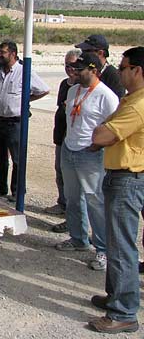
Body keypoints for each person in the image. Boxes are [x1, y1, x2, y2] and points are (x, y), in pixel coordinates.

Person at [88, 46, 144, 335]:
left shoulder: (136, 105)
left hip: (127, 178)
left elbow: (102, 134)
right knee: (116, 243)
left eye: (123, 68)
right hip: (125, 175)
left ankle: (123, 312)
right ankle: (116, 297)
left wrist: (103, 131)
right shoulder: (130, 99)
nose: (119, 73)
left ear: (138, 70)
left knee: (121, 246)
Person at [54, 52, 119, 272]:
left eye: (79, 69)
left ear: (93, 70)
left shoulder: (106, 96)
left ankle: (103, 249)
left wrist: (98, 145)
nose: (74, 72)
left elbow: (114, 127)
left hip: (90, 154)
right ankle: (78, 239)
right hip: (70, 149)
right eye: (73, 68)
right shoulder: (73, 90)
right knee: (73, 198)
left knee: (95, 201)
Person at [0, 40, 49, 199]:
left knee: (17, 158)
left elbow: (43, 89)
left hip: (14, 122)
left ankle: (17, 191)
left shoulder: (23, 71)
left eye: (3, 52)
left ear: (13, 54)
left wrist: (26, 99)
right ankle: (0, 187)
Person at [48, 50, 81, 233]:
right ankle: (62, 203)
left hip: (74, 137)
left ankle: (72, 216)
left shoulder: (82, 87)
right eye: (66, 65)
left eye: (72, 65)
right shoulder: (64, 84)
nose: (69, 68)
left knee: (73, 181)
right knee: (59, 171)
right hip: (61, 134)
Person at [76, 34, 125, 99]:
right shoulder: (84, 71)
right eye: (82, 51)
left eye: (87, 51)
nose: (83, 54)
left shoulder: (114, 76)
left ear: (100, 53)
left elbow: (118, 101)